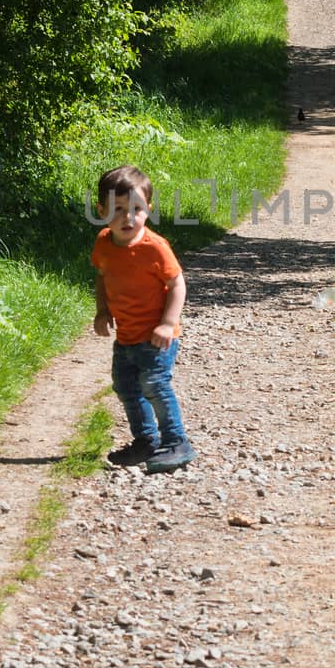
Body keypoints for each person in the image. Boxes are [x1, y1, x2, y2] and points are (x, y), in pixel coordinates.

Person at [90, 165, 196, 473]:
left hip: (156, 336)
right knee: (125, 386)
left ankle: (177, 442)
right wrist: (102, 310)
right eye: (118, 209)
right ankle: (146, 440)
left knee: (154, 384)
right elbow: (102, 276)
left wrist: (167, 322)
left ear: (148, 210)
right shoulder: (104, 244)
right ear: (101, 210)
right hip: (126, 335)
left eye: (136, 209)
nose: (128, 217)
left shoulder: (155, 248)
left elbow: (178, 284)